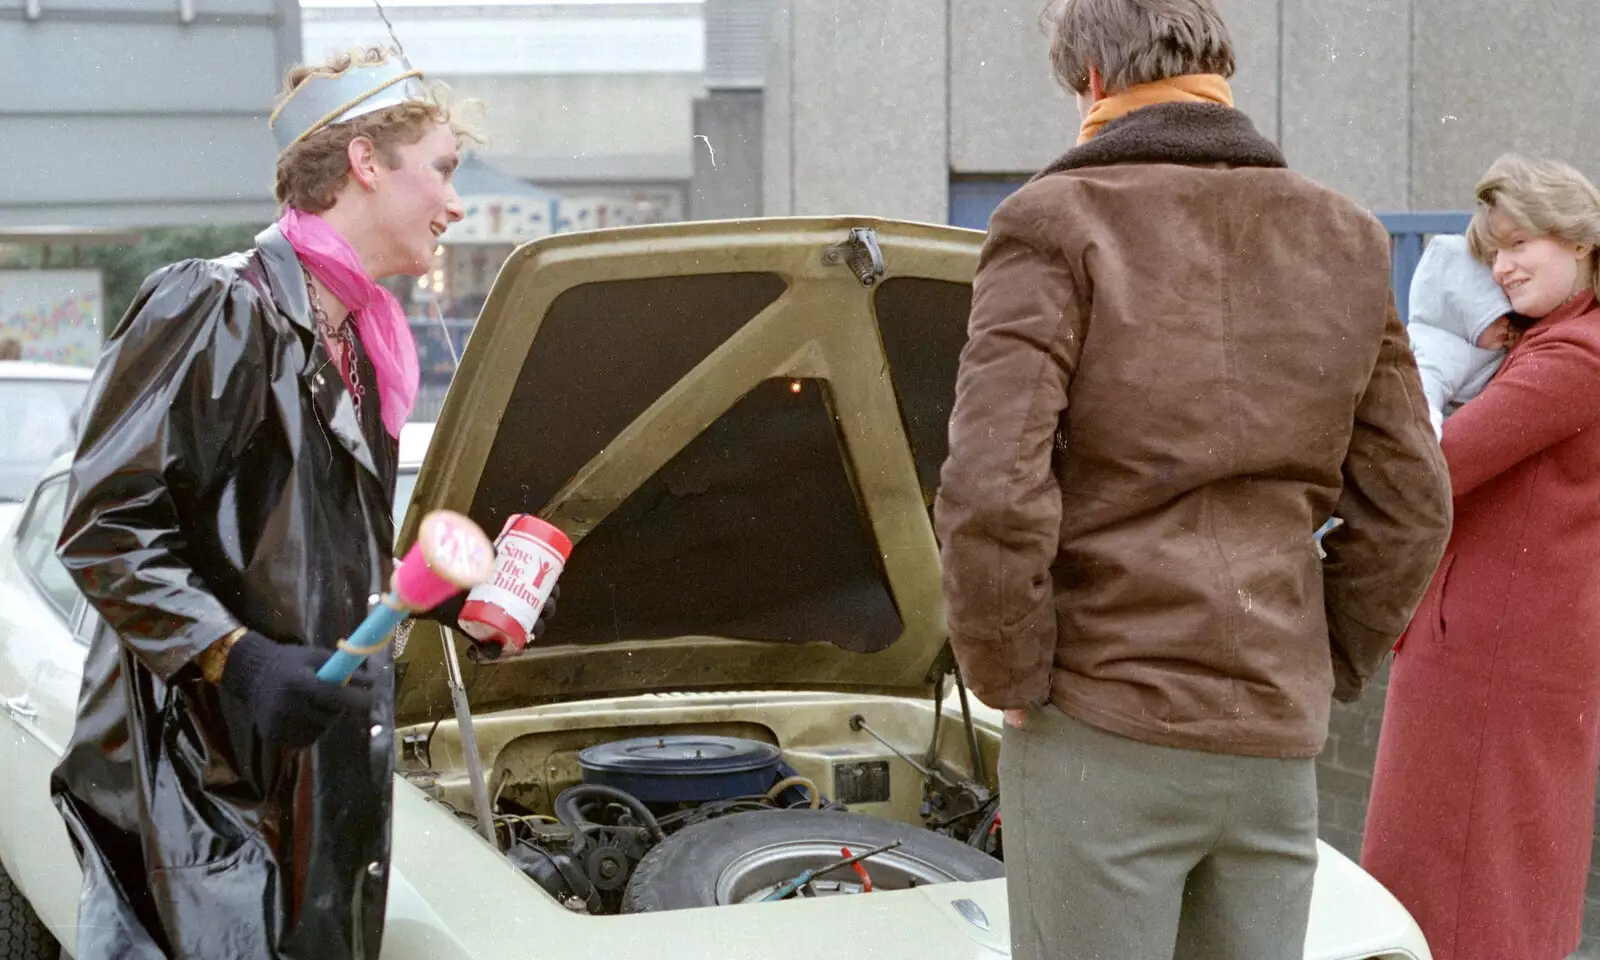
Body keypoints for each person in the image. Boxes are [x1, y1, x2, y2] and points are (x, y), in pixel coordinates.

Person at [933, 1, 1453, 957]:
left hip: (1102, 725)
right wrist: (1318, 658)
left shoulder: (1052, 220)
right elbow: (1415, 506)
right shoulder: (1346, 233)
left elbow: (992, 486)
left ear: (1090, 81)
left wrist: (1006, 668)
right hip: (1272, 737)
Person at [48, 46, 543, 959]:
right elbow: (106, 530)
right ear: (365, 162)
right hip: (200, 793)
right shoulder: (216, 305)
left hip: (309, 789)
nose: (456, 203)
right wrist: (240, 661)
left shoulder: (359, 338)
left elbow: (286, 547)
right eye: (441, 169)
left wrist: (411, 588)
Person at [1362, 154, 1600, 960]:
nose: (1500, 265)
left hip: (1487, 660)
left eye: (1520, 242)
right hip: (1519, 651)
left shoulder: (1571, 358)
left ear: (1578, 240)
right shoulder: (1564, 343)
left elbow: (1437, 469)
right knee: (1503, 876)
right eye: (1492, 250)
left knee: (1451, 883)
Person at [1406, 232, 1516, 436]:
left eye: (1509, 314)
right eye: (1493, 314)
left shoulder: (1484, 346)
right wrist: (1427, 435)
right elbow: (1423, 394)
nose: (1505, 324)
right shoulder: (1440, 348)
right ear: (1460, 312)